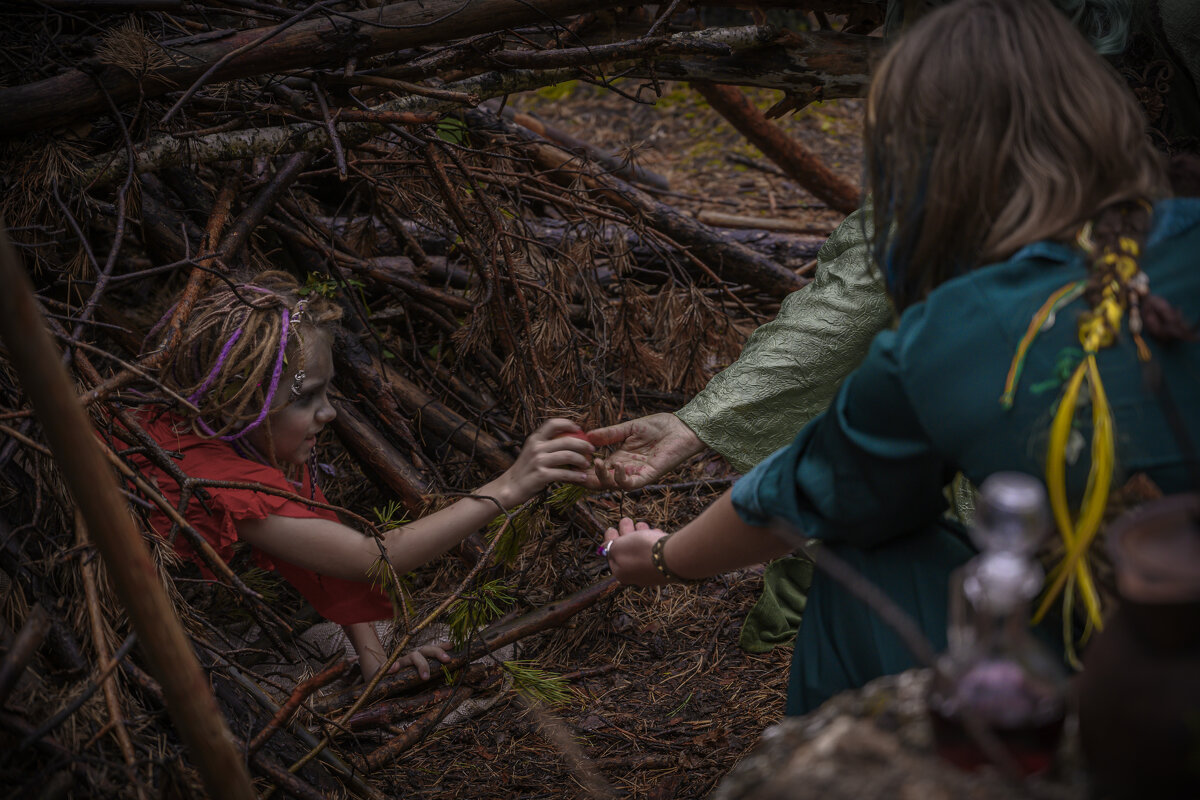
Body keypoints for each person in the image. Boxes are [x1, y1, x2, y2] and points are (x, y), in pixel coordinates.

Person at [602, 0, 1199, 716]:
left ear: (918, 161)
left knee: (868, 558)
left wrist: (659, 559)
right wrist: (701, 421)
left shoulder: (947, 337)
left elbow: (798, 494)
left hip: (1134, 679)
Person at [130, 271, 595, 680]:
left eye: (326, 391)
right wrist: (510, 485)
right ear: (241, 404)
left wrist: (374, 659)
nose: (328, 412)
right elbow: (366, 557)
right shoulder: (207, 479)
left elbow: (318, 542)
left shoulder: (230, 435)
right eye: (306, 396)